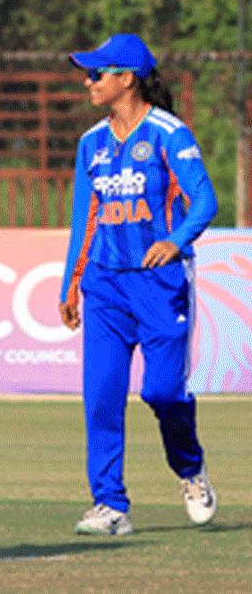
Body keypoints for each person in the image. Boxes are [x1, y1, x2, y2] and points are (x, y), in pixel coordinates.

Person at [59, 33, 218, 536]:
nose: (88, 82)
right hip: (105, 286)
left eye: (96, 74)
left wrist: (176, 240)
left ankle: (190, 469)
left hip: (160, 283)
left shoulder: (170, 133)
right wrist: (71, 285)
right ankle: (109, 503)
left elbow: (205, 200)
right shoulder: (91, 143)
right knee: (102, 395)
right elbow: (84, 218)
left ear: (126, 79)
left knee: (163, 393)